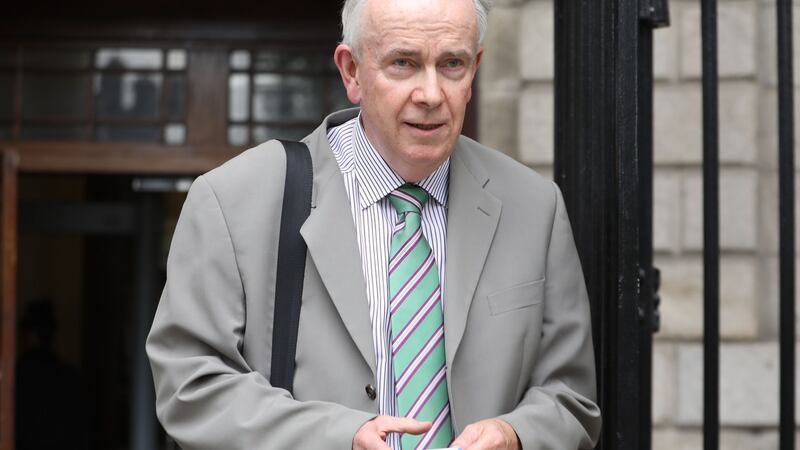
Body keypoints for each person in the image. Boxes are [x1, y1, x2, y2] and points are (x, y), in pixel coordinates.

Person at [146, 0, 602, 448]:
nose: (430, 94)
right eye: (403, 63)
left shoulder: (534, 207)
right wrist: (338, 438)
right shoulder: (234, 199)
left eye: (452, 64)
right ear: (351, 71)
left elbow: (572, 399)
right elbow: (191, 388)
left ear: (476, 68)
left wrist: (516, 435)